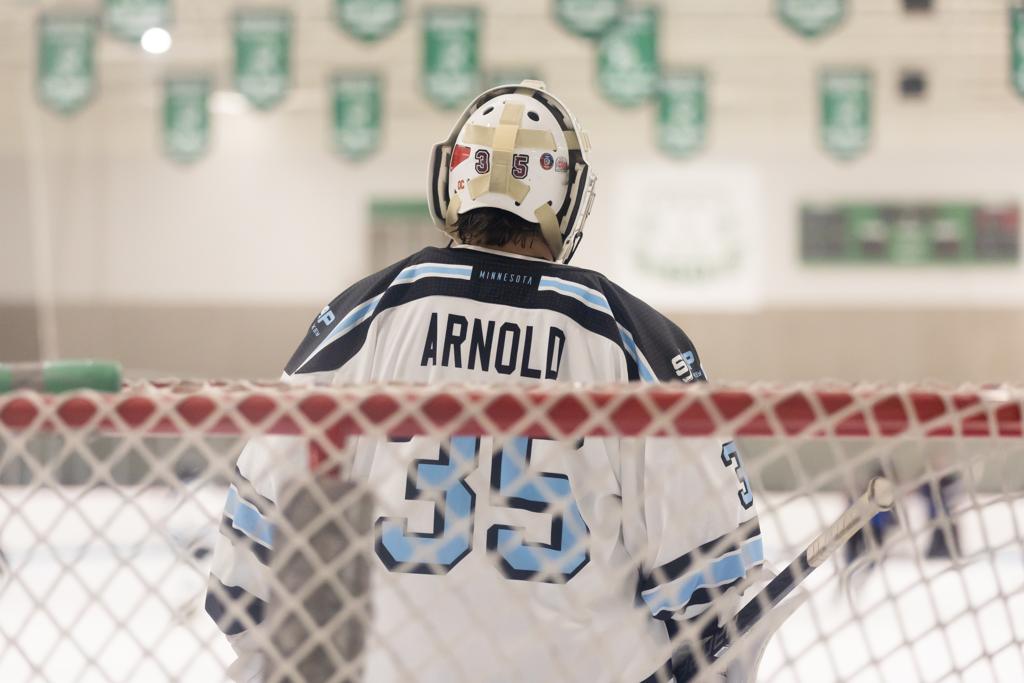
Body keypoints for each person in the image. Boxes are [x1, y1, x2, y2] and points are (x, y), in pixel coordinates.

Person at [205, 81, 765, 683]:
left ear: (451, 180)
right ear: (568, 197)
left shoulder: (364, 318)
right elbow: (718, 592)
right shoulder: (633, 341)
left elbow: (249, 566)